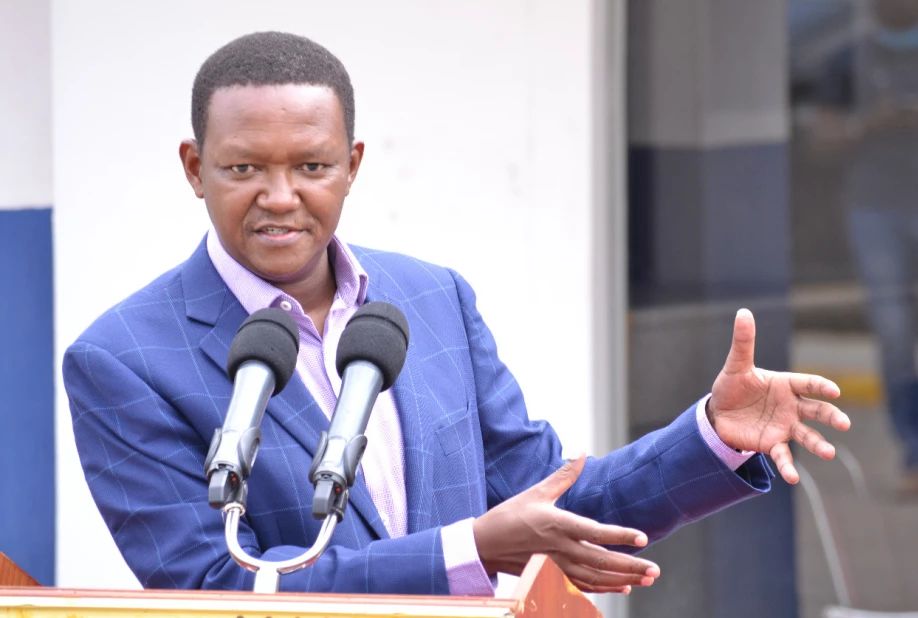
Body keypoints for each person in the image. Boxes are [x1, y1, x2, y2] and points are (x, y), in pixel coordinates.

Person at [63, 31, 850, 595]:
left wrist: (712, 434)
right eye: (243, 168)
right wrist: (467, 549)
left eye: (311, 165)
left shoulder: (432, 298)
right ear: (195, 168)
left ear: (351, 166)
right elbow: (213, 587)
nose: (280, 196)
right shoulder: (123, 360)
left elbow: (552, 504)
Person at [804, 0, 918, 497]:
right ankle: (913, 452)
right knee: (895, 335)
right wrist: (870, 124)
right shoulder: (847, 61)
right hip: (875, 211)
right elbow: (820, 143)